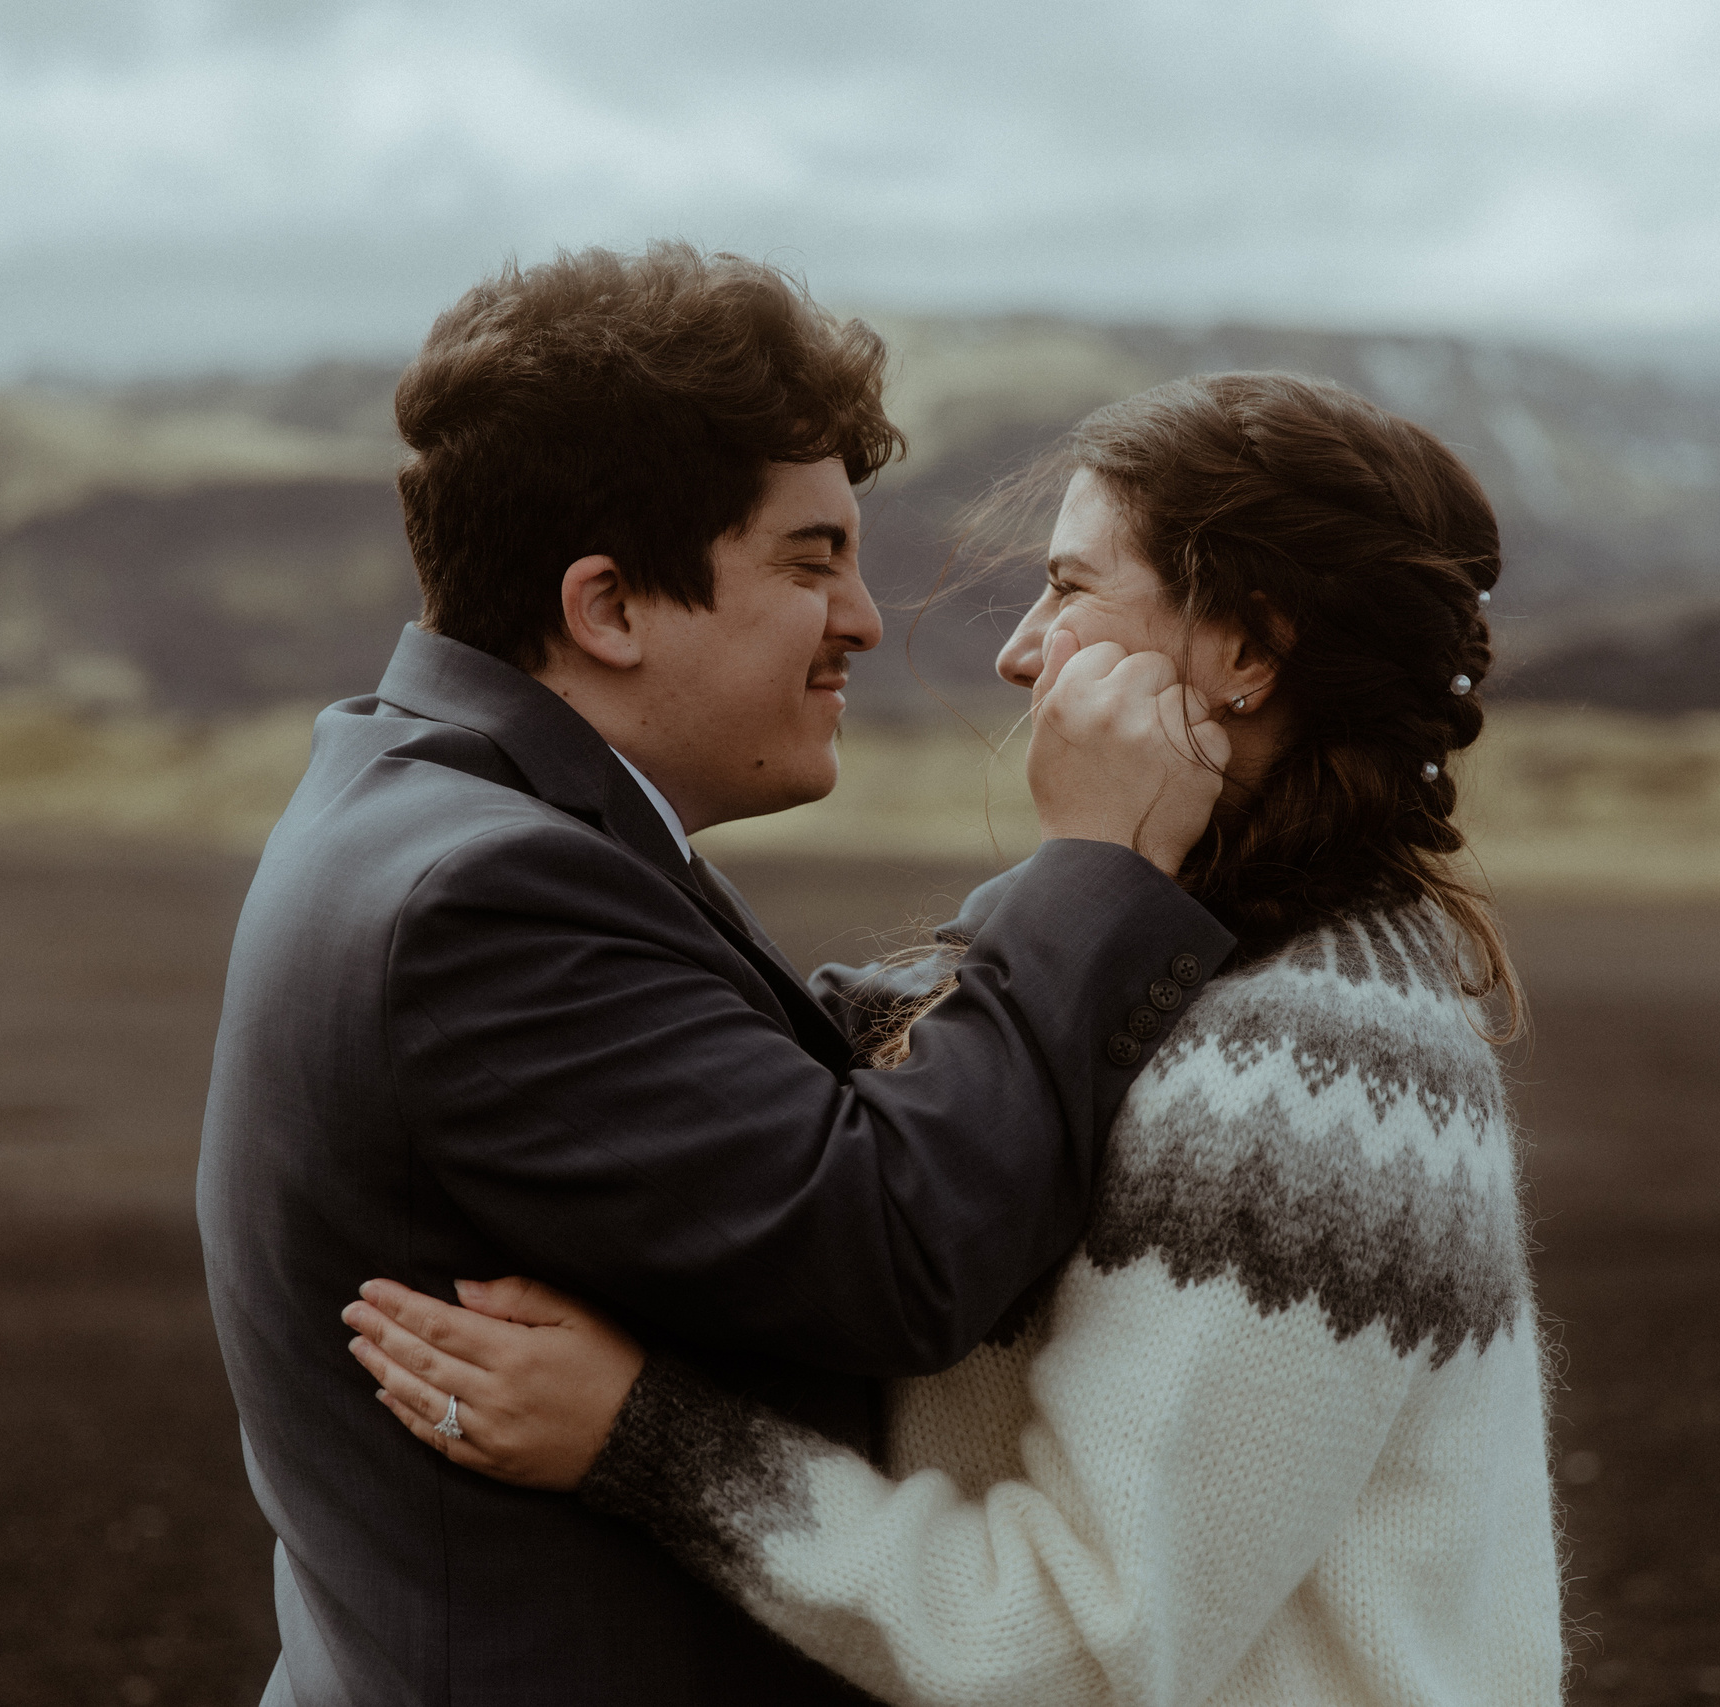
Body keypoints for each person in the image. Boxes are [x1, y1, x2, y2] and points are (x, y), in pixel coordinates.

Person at [345, 372, 1567, 1706]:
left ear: (1246, 652)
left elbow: (1079, 1646)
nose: (1020, 648)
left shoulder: (1310, 1073)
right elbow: (918, 1064)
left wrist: (644, 1439)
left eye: (1074, 587)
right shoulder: (1203, 966)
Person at [196, 242, 1239, 1707]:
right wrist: (1095, 869)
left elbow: (757, 1097)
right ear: (608, 607)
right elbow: (897, 1247)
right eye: (813, 561)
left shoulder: (446, 801)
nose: (867, 620)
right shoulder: (485, 893)